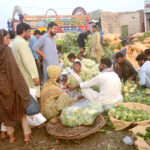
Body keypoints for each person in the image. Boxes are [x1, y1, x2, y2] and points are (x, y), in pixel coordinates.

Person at [0, 29, 31, 143]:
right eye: (7, 38)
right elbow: (13, 70)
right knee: (21, 107)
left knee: (4, 111)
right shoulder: (7, 51)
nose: (9, 40)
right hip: (9, 84)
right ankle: (27, 135)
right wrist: (22, 86)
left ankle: (11, 137)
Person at [11, 23, 40, 98]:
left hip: (21, 75)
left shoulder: (14, 42)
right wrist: (34, 77)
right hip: (27, 76)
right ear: (24, 31)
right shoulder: (22, 43)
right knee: (32, 98)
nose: (29, 34)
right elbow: (28, 62)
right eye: (28, 32)